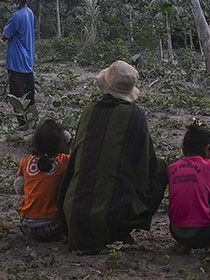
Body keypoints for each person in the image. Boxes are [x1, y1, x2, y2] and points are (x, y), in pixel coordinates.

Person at [57, 60, 167, 253]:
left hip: (73, 212)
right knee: (160, 168)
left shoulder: (89, 110)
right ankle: (121, 228)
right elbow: (146, 164)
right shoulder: (135, 116)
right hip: (113, 216)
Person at [167, 123, 210, 253]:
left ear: (183, 149)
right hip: (203, 235)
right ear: (207, 148)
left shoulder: (172, 168)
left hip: (176, 231)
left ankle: (183, 245)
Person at [15, 118, 70, 242]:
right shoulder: (64, 161)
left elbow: (18, 185)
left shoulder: (26, 161)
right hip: (53, 226)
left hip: (27, 225)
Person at [3, 0, 36, 129]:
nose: (10, 0)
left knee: (17, 96)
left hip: (16, 62)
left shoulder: (16, 16)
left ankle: (23, 124)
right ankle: (32, 121)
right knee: (28, 94)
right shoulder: (30, 13)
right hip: (27, 60)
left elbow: (5, 35)